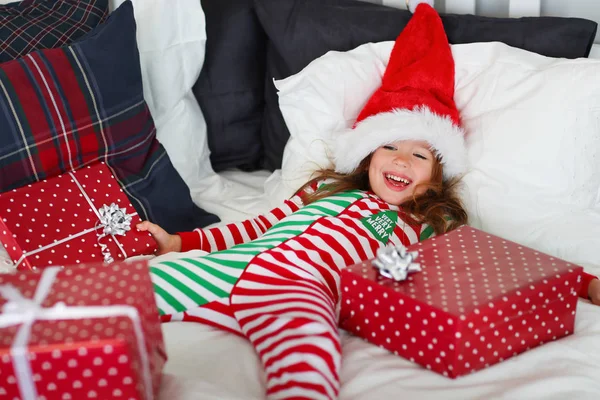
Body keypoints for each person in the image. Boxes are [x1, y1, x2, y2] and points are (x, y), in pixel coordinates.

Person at [139, 2, 599, 400]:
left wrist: (582, 284)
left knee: (309, 362)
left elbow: (500, 263)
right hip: (232, 263)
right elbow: (259, 225)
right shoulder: (323, 191)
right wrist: (178, 243)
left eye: (419, 154)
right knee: (129, 292)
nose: (401, 159)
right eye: (389, 147)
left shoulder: (426, 227)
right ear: (366, 155)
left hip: (300, 290)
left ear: (436, 176)